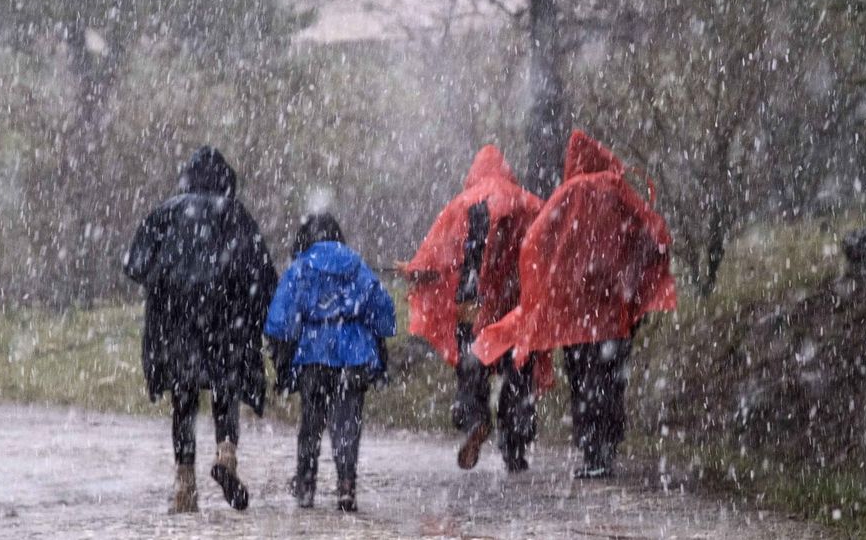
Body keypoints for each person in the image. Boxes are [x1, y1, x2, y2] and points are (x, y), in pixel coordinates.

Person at [473, 130, 677, 478]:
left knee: (584, 381)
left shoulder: (569, 195)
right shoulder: (619, 193)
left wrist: (546, 290)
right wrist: (633, 282)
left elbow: (537, 243)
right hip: (614, 313)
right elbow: (655, 234)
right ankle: (607, 447)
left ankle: (591, 450)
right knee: (611, 379)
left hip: (576, 317)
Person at [123, 146, 278, 513]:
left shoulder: (167, 212)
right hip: (226, 320)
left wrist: (165, 281)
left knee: (184, 400)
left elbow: (134, 264)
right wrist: (259, 312)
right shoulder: (235, 214)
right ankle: (226, 455)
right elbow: (261, 272)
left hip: (176, 321)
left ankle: (185, 486)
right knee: (226, 389)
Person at [399, 145, 545, 472]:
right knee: (518, 374)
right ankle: (516, 446)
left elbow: (440, 253)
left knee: (471, 368)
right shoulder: (529, 204)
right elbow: (546, 244)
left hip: (473, 304)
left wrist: (414, 269)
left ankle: (475, 418)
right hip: (516, 306)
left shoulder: (463, 205)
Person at [264, 213, 397, 512]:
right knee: (347, 422)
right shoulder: (354, 264)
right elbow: (382, 305)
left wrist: (283, 353)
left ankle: (306, 483)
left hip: (315, 352)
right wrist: (380, 334)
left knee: (311, 422)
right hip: (354, 355)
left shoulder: (301, 267)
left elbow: (281, 317)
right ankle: (347, 484)